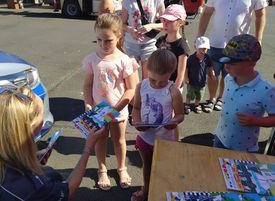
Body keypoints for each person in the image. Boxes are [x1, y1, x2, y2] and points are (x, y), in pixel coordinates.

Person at [0, 87, 105, 200]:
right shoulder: (33, 188)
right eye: (42, 114)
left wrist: (35, 158)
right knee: (54, 176)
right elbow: (68, 190)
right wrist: (87, 148)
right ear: (32, 126)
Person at [82, 13, 138, 190]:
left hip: (118, 110)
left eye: (108, 40)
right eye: (99, 40)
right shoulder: (92, 59)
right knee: (100, 141)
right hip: (99, 111)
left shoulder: (124, 60)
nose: (103, 44)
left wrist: (117, 107)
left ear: (119, 35)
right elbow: (87, 85)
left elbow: (131, 88)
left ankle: (122, 168)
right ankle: (102, 169)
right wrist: (88, 104)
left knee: (119, 140)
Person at [131, 49, 184, 201]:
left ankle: (162, 193)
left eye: (163, 81)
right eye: (153, 80)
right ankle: (146, 190)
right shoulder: (141, 86)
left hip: (166, 139)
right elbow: (136, 108)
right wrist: (136, 122)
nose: (158, 84)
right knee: (146, 166)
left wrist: (174, 122)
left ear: (171, 74)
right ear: (147, 69)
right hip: (145, 137)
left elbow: (180, 114)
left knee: (165, 168)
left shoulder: (173, 91)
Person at [197, 0, 268, 112]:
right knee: (212, 73)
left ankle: (222, 98)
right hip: (215, 42)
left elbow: (260, 14)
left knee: (229, 75)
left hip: (237, 46)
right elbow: (207, 13)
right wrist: (199, 36)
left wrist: (258, 39)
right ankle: (211, 99)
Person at [212, 34, 275, 152]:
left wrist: (255, 121)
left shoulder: (266, 90)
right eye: (225, 61)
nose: (226, 66)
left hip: (244, 148)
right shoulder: (228, 79)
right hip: (220, 138)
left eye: (232, 63)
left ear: (251, 63)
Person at [121, 0, 165, 79]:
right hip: (131, 45)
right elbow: (121, 24)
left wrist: (151, 26)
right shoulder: (127, 1)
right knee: (131, 79)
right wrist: (130, 30)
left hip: (149, 44)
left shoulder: (157, 1)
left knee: (148, 80)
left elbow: (165, 24)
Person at [156, 4, 190, 92]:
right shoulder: (160, 40)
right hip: (160, 83)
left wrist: (174, 90)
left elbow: (180, 74)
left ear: (181, 23)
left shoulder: (182, 46)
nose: (165, 23)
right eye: (164, 20)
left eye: (170, 21)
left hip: (173, 86)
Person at [184, 36, 214, 114]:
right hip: (192, 81)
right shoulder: (191, 58)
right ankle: (187, 105)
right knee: (190, 94)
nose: (202, 50)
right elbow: (186, 68)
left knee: (199, 95)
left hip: (202, 82)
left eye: (204, 49)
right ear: (196, 47)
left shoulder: (207, 58)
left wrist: (212, 73)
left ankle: (196, 105)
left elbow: (210, 66)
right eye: (200, 48)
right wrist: (186, 77)